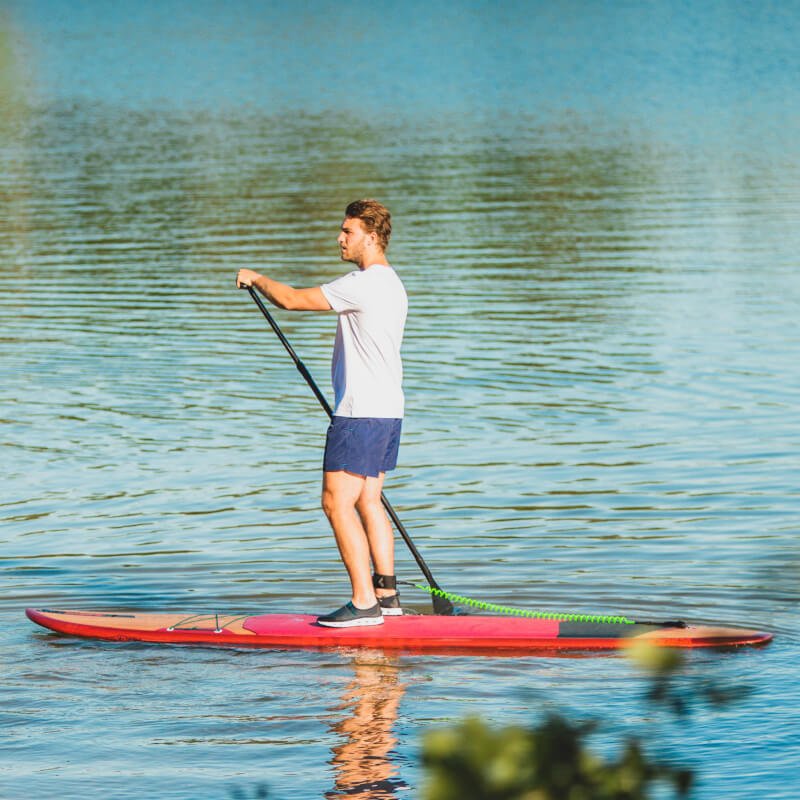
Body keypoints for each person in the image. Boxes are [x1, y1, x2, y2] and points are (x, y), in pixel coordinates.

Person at [235, 199, 407, 628]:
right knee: (368, 500)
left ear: (371, 236)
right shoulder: (394, 285)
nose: (340, 238)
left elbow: (291, 300)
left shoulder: (362, 284)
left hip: (359, 413)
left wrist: (256, 277)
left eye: (347, 232)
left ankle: (363, 603)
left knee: (335, 503)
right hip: (388, 411)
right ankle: (386, 597)